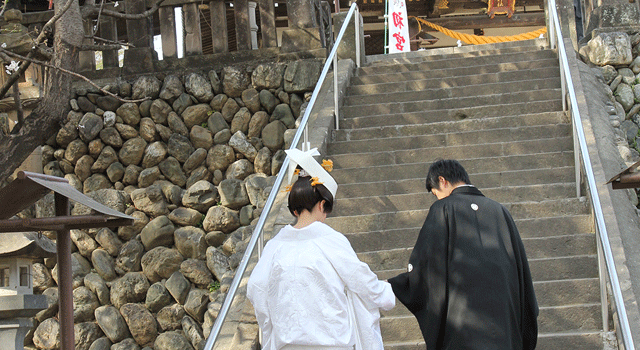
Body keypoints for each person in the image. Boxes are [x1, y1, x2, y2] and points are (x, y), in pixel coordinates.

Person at [247, 148, 395, 350]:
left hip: (287, 343)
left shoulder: (275, 246)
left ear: (295, 208)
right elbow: (359, 278)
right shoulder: (330, 240)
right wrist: (386, 291)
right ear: (322, 204)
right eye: (327, 209)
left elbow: (256, 288)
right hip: (329, 342)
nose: (326, 216)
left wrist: (272, 327)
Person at [388, 159, 538, 350]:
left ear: (442, 181)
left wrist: (399, 283)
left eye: (436, 194)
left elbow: (428, 267)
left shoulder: (442, 209)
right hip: (504, 324)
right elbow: (520, 270)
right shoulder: (500, 211)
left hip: (463, 326)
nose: (438, 198)